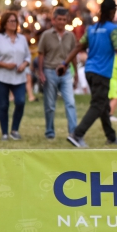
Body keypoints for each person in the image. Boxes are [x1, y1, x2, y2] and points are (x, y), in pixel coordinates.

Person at [62, 0, 117, 148]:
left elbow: (79, 46)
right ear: (112, 12)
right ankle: (77, 134)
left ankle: (111, 137)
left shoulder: (92, 29)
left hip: (89, 71)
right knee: (98, 105)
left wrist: (64, 63)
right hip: (102, 73)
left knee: (104, 105)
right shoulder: (113, 29)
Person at [0, 12, 31, 141]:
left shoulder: (22, 39)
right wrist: (4, 65)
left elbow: (27, 55)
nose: (13, 24)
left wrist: (25, 63)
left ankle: (15, 129)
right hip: (1, 75)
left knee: (20, 101)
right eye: (10, 21)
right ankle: (4, 132)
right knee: (4, 104)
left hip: (19, 76)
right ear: (4, 24)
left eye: (15, 21)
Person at [37, 8, 78, 140]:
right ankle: (50, 132)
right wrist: (41, 72)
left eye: (64, 19)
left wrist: (76, 72)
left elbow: (73, 55)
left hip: (65, 72)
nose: (61, 22)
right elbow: (41, 54)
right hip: (50, 70)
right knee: (50, 104)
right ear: (53, 20)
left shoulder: (70, 36)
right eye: (59, 19)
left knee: (70, 102)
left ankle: (73, 132)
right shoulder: (46, 35)